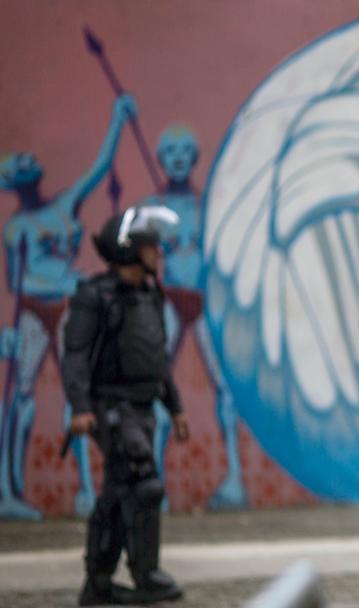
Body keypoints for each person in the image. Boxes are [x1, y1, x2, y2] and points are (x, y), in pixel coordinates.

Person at [0, 93, 138, 520]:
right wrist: (61, 279)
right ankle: (11, 490)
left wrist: (117, 119)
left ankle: (87, 488)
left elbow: (99, 168)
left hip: (71, 309)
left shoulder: (64, 204)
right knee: (22, 397)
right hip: (36, 313)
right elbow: (16, 282)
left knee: (78, 396)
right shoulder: (18, 228)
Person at [61, 206, 189, 605]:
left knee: (119, 491)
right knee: (142, 482)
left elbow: (157, 359)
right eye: (150, 245)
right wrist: (81, 406)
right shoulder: (95, 296)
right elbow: (76, 354)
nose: (157, 253)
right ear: (128, 249)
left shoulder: (150, 294)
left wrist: (176, 407)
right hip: (110, 406)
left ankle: (97, 584)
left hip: (143, 407)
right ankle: (146, 574)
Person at [136, 124, 247, 510]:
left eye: (186, 151)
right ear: (162, 159)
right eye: (172, 152)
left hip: (202, 300)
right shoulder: (151, 209)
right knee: (155, 385)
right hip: (168, 299)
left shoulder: (208, 206)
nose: (179, 159)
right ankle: (154, 480)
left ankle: (234, 478)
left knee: (224, 388)